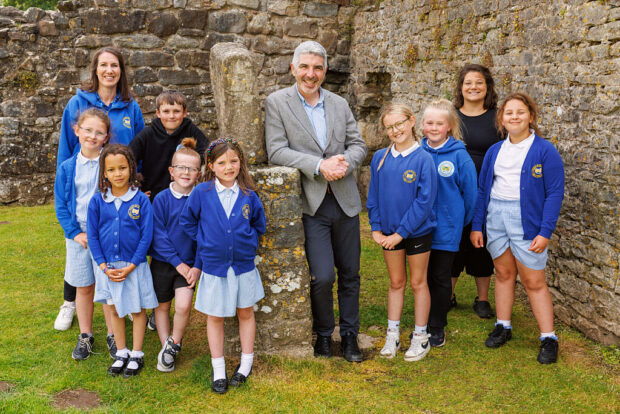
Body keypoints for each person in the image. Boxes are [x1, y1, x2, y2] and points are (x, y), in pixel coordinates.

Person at [265, 41, 367, 362]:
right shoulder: (277, 103)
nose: (311, 74)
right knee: (323, 276)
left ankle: (349, 335)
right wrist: (319, 166)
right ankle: (324, 333)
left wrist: (344, 164)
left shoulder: (338, 103)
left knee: (350, 272)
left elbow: (358, 145)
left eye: (318, 68)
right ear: (293, 68)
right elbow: (277, 151)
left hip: (345, 199)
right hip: (312, 202)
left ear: (325, 71)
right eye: (305, 67)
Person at [54, 47, 145, 331]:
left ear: (121, 71)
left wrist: (138, 183)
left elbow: (140, 148)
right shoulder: (77, 103)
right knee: (80, 258)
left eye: (114, 65)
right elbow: (67, 151)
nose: (109, 70)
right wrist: (65, 185)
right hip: (83, 192)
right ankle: (70, 303)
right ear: (95, 69)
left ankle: (123, 303)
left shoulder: (131, 107)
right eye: (103, 65)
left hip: (116, 190)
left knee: (117, 247)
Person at [470, 92, 564, 364]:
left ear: (531, 117)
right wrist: (478, 225)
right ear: (501, 119)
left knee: (534, 281)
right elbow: (483, 190)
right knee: (503, 272)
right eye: (509, 113)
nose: (514, 117)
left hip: (528, 220)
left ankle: (548, 337)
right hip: (496, 216)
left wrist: (545, 231)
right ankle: (503, 325)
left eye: (520, 112)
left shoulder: (545, 150)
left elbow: (555, 193)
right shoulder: (495, 151)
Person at [180, 139, 266, 394]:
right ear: (211, 166)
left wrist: (248, 241)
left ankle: (246, 363)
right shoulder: (202, 193)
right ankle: (218, 368)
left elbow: (258, 225)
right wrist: (205, 240)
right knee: (215, 316)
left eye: (234, 161)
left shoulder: (249, 196)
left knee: (245, 312)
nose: (229, 167)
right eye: (222, 163)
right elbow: (188, 221)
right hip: (215, 267)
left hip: (243, 267)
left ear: (241, 163)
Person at [367, 103, 437, 361]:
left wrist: (402, 232)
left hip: (417, 232)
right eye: (389, 127)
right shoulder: (380, 158)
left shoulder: (424, 159)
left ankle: (420, 337)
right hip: (389, 232)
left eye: (399, 124)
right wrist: (376, 227)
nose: (395, 130)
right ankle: (392, 335)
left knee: (418, 282)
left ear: (411, 121)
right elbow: (373, 195)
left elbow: (424, 202)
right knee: (396, 283)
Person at [87, 144, 158, 377]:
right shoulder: (98, 202)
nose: (117, 174)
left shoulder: (140, 201)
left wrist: (132, 264)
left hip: (133, 266)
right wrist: (102, 265)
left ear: (131, 168)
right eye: (111, 169)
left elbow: (146, 235)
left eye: (122, 168)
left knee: (137, 310)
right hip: (107, 268)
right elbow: (93, 235)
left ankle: (137, 353)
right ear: (104, 173)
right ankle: (122, 351)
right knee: (115, 310)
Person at [54, 108, 117, 360]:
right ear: (77, 131)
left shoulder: (111, 162)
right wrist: (73, 232)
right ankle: (86, 335)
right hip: (79, 237)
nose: (92, 136)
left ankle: (114, 334)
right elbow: (61, 204)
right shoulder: (68, 167)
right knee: (84, 287)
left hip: (105, 236)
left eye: (99, 132)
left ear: (106, 136)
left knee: (108, 288)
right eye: (88, 130)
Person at [421, 99, 477, 348]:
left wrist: (458, 222)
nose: (434, 127)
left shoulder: (459, 156)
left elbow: (471, 194)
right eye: (429, 122)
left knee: (441, 277)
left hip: (447, 228)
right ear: (422, 124)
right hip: (419, 228)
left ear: (450, 126)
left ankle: (437, 326)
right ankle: (421, 322)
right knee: (422, 277)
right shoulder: (417, 152)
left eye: (439, 123)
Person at [450, 64, 502, 319]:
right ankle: (448, 294)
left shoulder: (497, 118)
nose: (473, 87)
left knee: (481, 243)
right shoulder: (450, 117)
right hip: (452, 193)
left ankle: (482, 299)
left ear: (487, 87)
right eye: (468, 83)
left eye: (479, 82)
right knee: (452, 242)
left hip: (487, 191)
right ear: (461, 87)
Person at [150, 138, 202, 372]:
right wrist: (177, 262)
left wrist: (196, 266)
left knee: (182, 306)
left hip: (190, 266)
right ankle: (165, 347)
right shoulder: (161, 199)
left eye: (191, 169)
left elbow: (206, 235)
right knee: (162, 306)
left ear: (198, 174)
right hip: (163, 263)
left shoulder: (201, 200)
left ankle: (175, 342)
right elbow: (158, 236)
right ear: (171, 171)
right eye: (181, 167)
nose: (186, 172)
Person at [129, 90, 209, 201]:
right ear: (158, 113)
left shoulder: (191, 130)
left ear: (185, 113)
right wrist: (135, 187)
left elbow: (208, 153)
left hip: (184, 194)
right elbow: (128, 158)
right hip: (153, 195)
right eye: (166, 111)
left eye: (176, 111)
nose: (171, 116)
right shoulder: (148, 134)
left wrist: (191, 166)